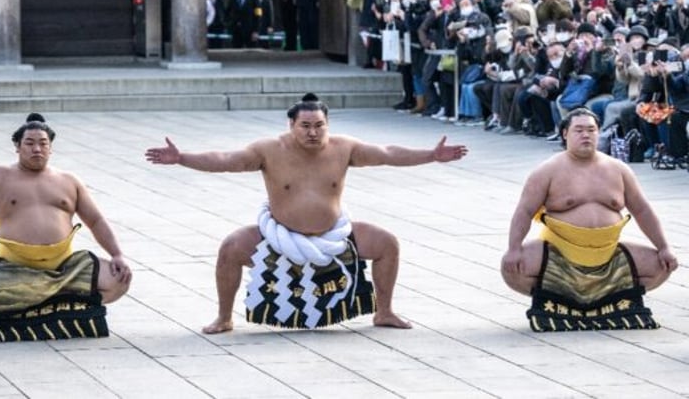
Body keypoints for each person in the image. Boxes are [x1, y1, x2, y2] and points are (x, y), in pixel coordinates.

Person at [144, 93, 468, 334]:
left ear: (328, 125)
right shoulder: (268, 150)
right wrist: (182, 157)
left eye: (319, 126)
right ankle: (224, 317)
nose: (313, 132)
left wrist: (431, 155)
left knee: (387, 244)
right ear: (291, 125)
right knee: (230, 248)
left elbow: (387, 154)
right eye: (305, 126)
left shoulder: (344, 147)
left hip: (334, 236)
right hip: (279, 235)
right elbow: (226, 159)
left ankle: (384, 312)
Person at [0, 113, 131, 337]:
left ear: (51, 148)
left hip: (64, 269)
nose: (37, 149)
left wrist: (117, 254)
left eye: (43, 143)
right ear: (17, 146)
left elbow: (96, 220)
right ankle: (53, 301)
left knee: (119, 280)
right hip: (14, 267)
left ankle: (34, 300)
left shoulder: (69, 180)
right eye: (29, 143)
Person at [501, 107, 678, 331]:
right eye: (579, 130)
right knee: (513, 268)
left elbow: (642, 210)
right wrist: (514, 248)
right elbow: (524, 211)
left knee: (662, 265)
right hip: (559, 252)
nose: (586, 135)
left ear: (599, 132)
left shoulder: (618, 170)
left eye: (591, 130)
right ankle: (564, 300)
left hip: (608, 251)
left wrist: (663, 247)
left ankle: (604, 299)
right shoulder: (547, 171)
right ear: (565, 133)